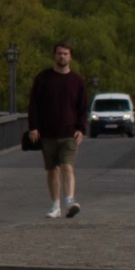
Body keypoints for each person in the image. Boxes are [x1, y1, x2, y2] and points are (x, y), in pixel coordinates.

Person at [23, 40, 92, 219]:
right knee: (52, 170)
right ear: (55, 55)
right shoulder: (43, 79)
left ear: (70, 57)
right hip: (47, 133)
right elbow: (34, 105)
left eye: (65, 54)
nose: (62, 56)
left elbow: (83, 108)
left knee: (67, 167)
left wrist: (81, 129)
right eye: (60, 53)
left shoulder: (77, 81)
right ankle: (55, 205)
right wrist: (34, 127)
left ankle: (69, 200)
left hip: (69, 133)